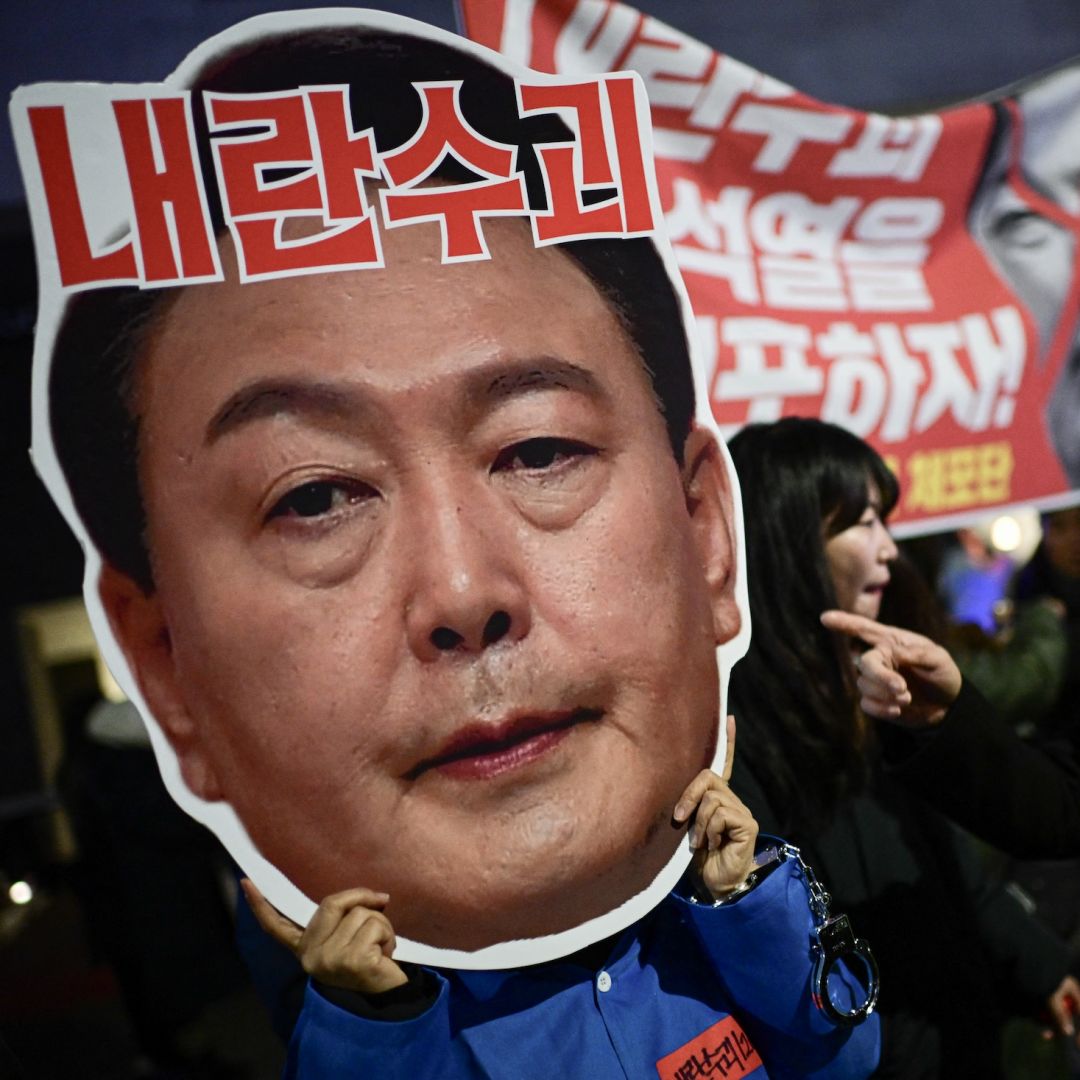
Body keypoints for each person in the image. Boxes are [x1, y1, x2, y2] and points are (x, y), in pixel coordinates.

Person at [39, 14, 749, 962]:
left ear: (705, 531)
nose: (463, 594)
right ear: (163, 662)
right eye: (314, 498)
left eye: (538, 451)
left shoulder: (775, 871)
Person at [726, 416, 1079, 1078]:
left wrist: (1039, 967)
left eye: (885, 520)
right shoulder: (736, 738)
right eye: (862, 522)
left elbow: (956, 878)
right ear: (787, 540)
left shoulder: (884, 688)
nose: (890, 548)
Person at [240, 721, 879, 1078]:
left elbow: (846, 1059)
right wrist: (377, 1013)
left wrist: (741, 896)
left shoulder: (691, 915)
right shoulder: (410, 991)